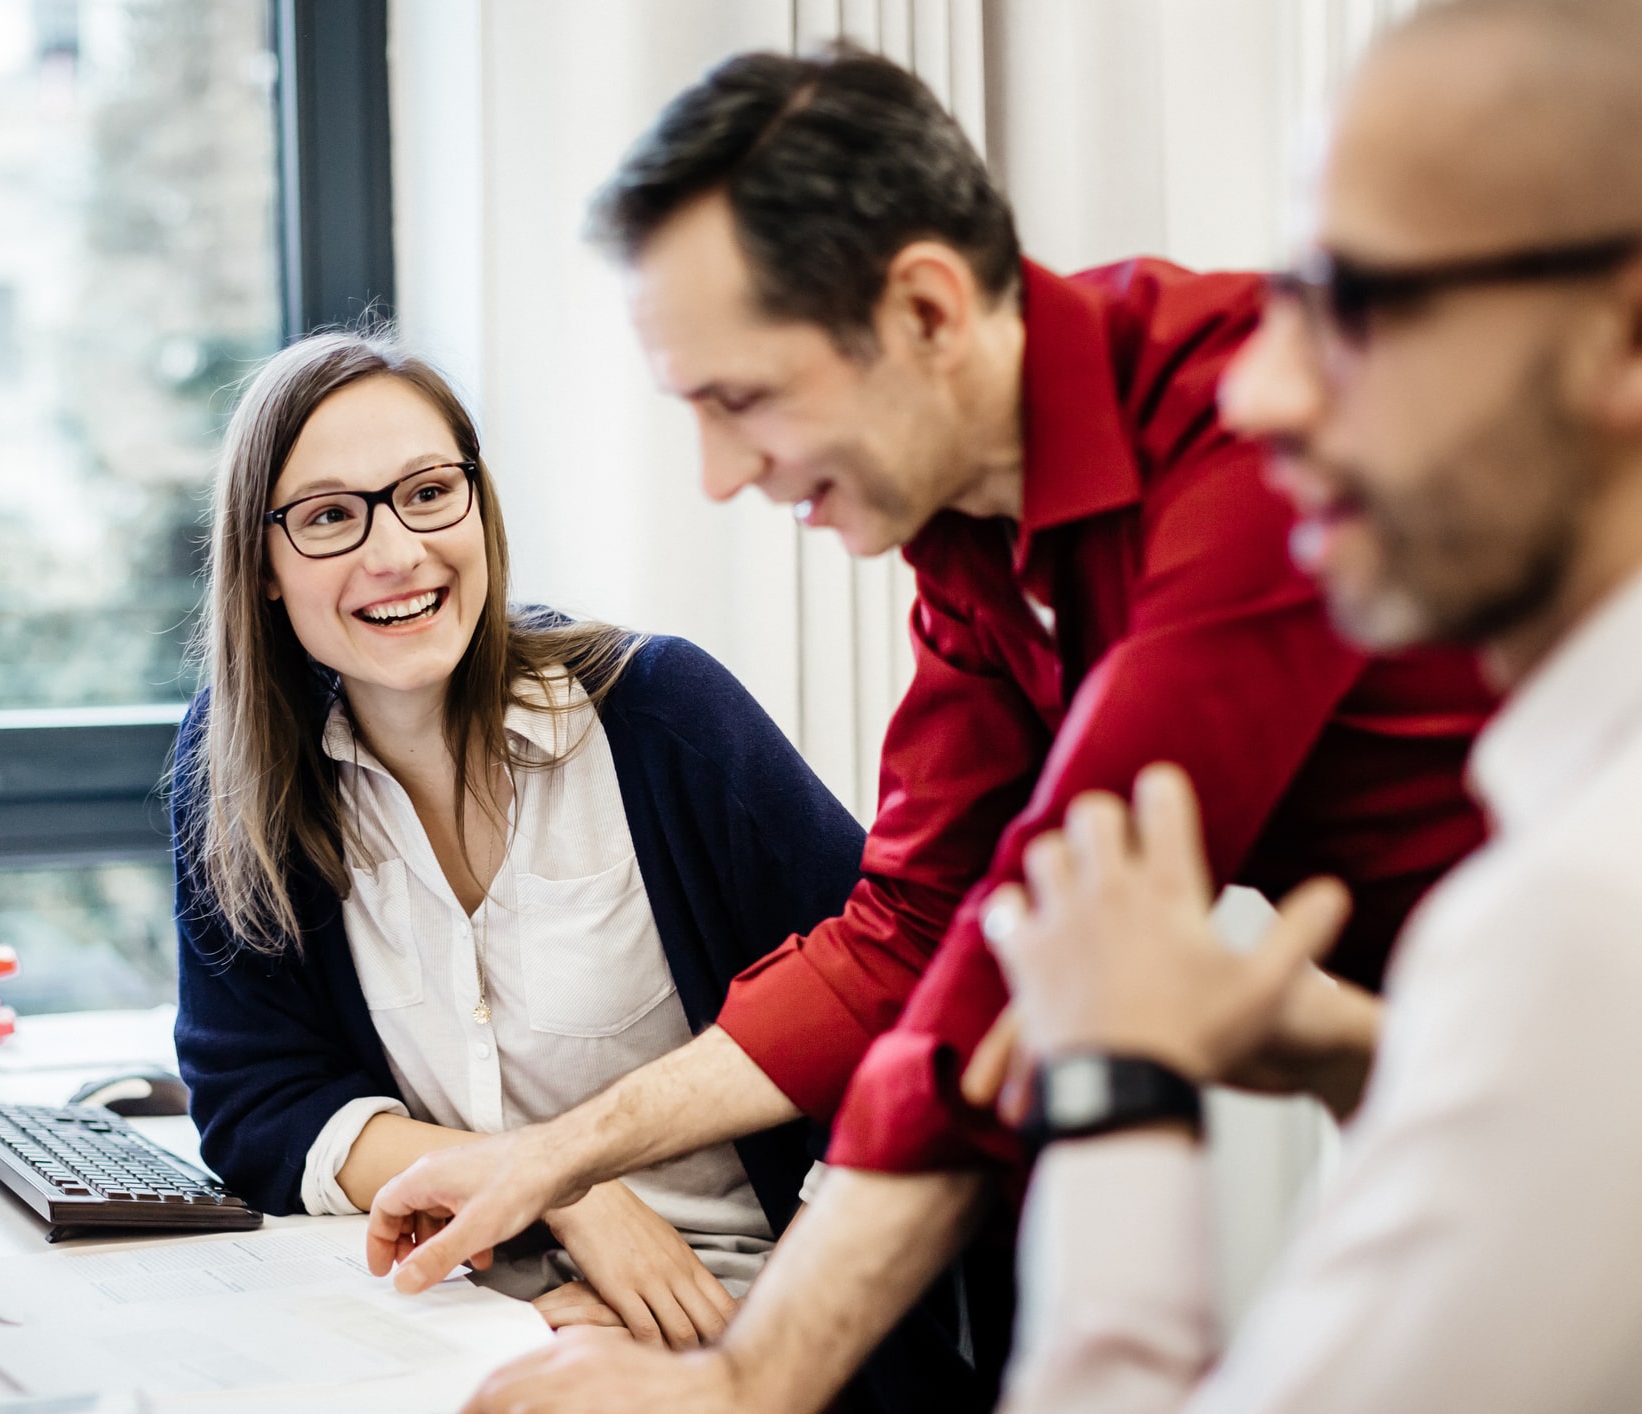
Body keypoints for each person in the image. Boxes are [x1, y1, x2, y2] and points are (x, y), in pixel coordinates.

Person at [363, 45, 1500, 1414]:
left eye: (744, 400)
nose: (725, 477)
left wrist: (748, 1381)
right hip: (1470, 1067)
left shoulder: (1241, 438)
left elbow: (1005, 961)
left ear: (924, 308)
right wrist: (553, 1156)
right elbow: (906, 926)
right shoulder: (972, 539)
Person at [973, 1, 1642, 1408]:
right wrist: (1372, 1060)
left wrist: (1116, 1082)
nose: (1264, 394)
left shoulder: (1579, 922)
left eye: (1351, 304)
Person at [168, 331, 871, 1354]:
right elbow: (254, 1100)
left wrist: (773, 1332)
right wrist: (549, 1182)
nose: (395, 552)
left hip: (749, 1317)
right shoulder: (236, 766)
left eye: (425, 492)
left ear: (478, 503)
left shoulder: (663, 717)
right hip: (473, 1316)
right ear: (263, 568)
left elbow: (894, 1017)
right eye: (328, 517)